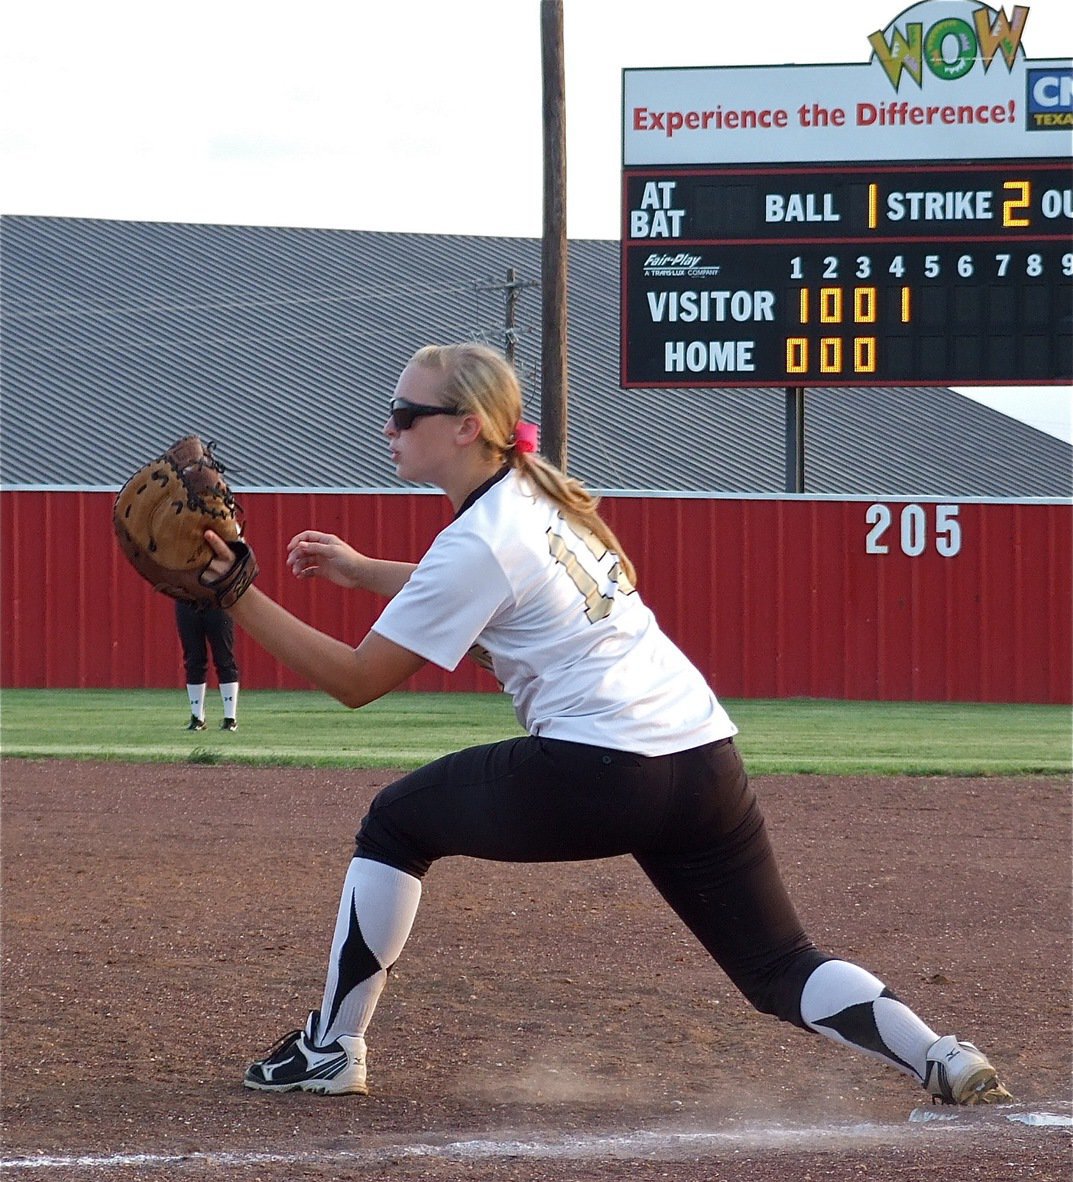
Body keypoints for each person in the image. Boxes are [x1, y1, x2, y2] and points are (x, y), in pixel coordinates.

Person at [201, 341, 1012, 1105]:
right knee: (777, 964)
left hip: (602, 768)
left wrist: (236, 593)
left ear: (463, 427)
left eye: (402, 412)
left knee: (395, 825)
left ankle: (332, 1049)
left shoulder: (479, 536)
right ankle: (938, 1055)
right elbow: (491, 593)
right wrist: (359, 569)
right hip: (702, 759)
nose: (388, 427)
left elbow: (356, 680)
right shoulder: (539, 500)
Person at [174, 599, 241, 731]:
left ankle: (230, 718)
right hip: (187, 600)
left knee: (224, 659)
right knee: (193, 659)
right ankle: (197, 717)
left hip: (217, 600)